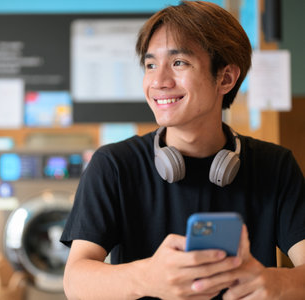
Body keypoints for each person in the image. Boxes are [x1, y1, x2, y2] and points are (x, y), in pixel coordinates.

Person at [60, 1, 305, 299]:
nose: (159, 82)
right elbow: (75, 282)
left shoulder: (276, 166)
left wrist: (277, 283)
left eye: (179, 63)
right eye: (151, 65)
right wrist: (147, 278)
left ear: (225, 78)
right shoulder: (113, 165)